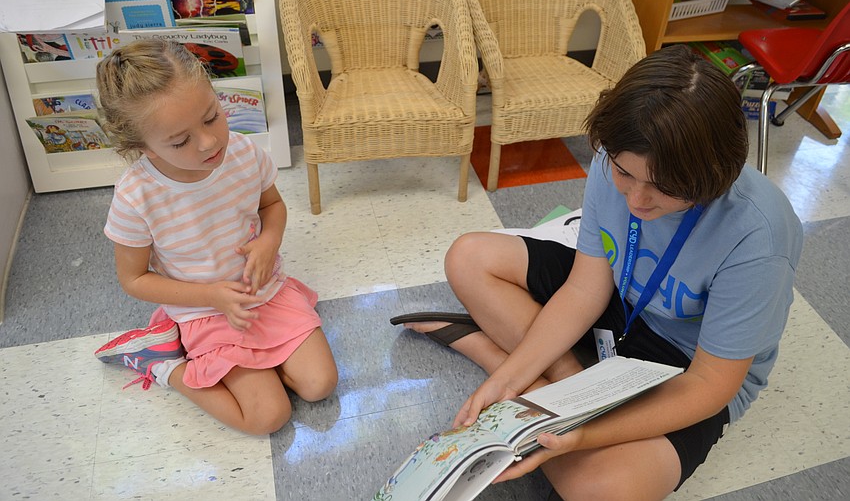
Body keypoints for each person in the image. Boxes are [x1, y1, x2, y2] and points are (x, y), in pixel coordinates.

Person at [398, 45, 803, 499]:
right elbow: (585, 288)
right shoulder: (616, 153)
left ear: (714, 177)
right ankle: (559, 387)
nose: (636, 200)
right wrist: (508, 380)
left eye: (665, 189)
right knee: (468, 258)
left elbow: (710, 385)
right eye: (625, 174)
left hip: (687, 365)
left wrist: (582, 436)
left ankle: (502, 357)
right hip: (621, 302)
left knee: (601, 490)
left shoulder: (758, 236)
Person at [93, 39, 338, 435]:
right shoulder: (136, 197)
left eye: (211, 117)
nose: (209, 142)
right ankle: (163, 364)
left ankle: (256, 363)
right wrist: (212, 297)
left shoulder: (243, 153)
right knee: (267, 417)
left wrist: (268, 241)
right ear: (142, 147)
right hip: (206, 311)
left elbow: (271, 207)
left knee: (320, 385)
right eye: (179, 141)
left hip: (267, 293)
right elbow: (134, 279)